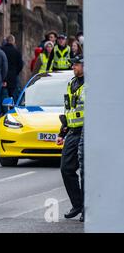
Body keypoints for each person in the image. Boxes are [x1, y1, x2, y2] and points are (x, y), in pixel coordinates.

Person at [56, 54, 85, 221]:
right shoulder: (71, 84)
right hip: (73, 132)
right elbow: (68, 110)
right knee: (66, 169)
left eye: (76, 65)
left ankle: (87, 208)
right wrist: (62, 132)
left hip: (87, 131)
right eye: (73, 65)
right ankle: (78, 204)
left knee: (86, 172)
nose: (73, 67)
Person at [0, 35, 24, 103]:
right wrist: (16, 72)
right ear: (13, 41)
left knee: (3, 94)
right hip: (13, 75)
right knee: (12, 94)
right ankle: (12, 108)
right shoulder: (16, 52)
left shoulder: (1, 50)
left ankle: (3, 110)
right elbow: (20, 64)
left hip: (3, 75)